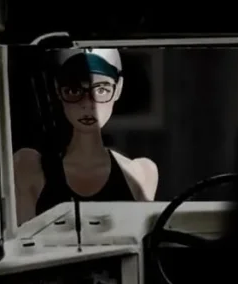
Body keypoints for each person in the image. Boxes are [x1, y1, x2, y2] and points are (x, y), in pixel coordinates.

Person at [13, 48, 158, 224]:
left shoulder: (140, 173)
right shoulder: (29, 167)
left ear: (118, 88)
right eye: (74, 91)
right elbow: (22, 238)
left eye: (101, 90)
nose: (88, 104)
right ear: (58, 90)